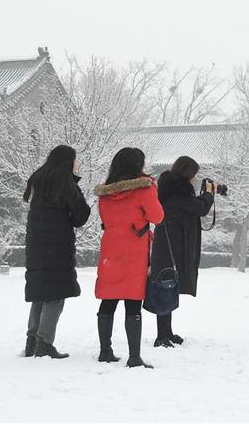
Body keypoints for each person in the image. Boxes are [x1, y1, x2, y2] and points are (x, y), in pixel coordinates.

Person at [94, 148, 164, 367]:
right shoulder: (145, 187)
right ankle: (134, 356)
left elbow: (106, 218)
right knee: (132, 300)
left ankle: (105, 351)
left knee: (109, 298)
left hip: (111, 248)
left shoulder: (105, 192)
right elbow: (157, 216)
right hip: (134, 249)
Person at [23, 145, 91, 359]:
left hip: (36, 245)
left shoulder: (39, 180)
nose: (77, 163)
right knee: (55, 295)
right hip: (58, 247)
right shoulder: (66, 183)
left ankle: (31, 341)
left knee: (40, 293)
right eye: (75, 160)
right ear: (68, 161)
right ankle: (44, 343)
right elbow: (80, 216)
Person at [150, 156, 215, 348]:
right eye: (194, 174)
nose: (195, 179)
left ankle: (167, 332)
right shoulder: (178, 193)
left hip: (168, 246)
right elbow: (200, 208)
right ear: (188, 173)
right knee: (165, 288)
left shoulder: (169, 188)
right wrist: (209, 194)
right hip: (171, 247)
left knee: (169, 288)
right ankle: (161, 335)